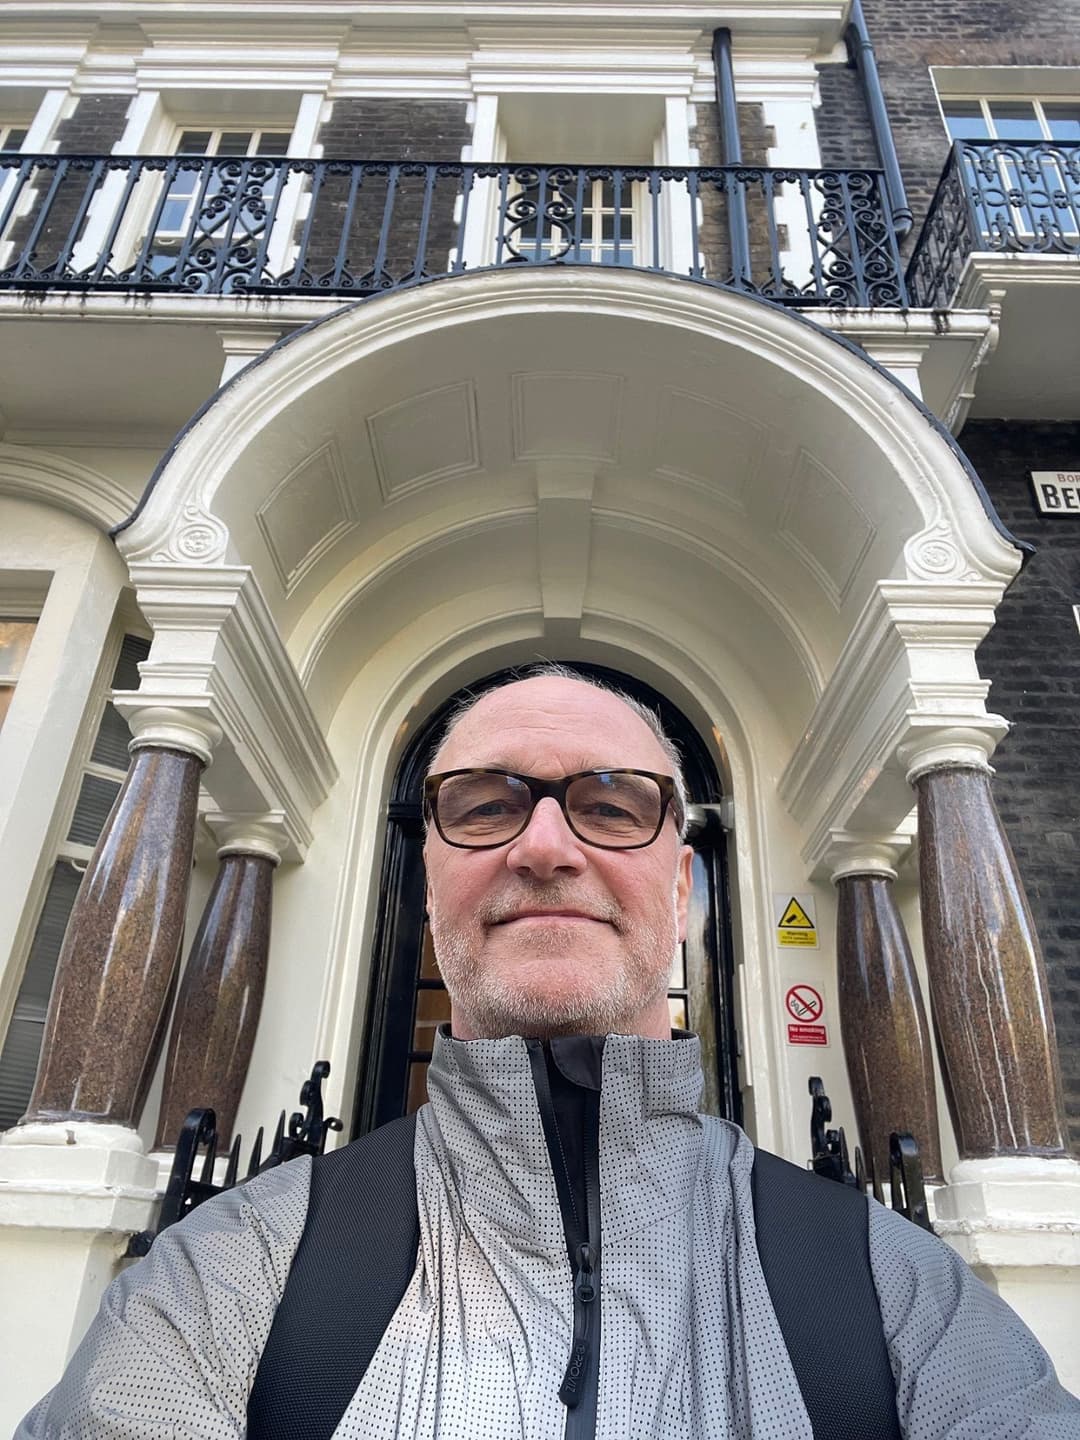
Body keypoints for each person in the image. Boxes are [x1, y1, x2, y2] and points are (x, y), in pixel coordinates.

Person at [18, 670, 1080, 1438]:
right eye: (485, 806)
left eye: (612, 805)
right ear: (430, 888)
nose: (544, 847)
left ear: (679, 889)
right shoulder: (224, 1277)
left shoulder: (900, 1294)